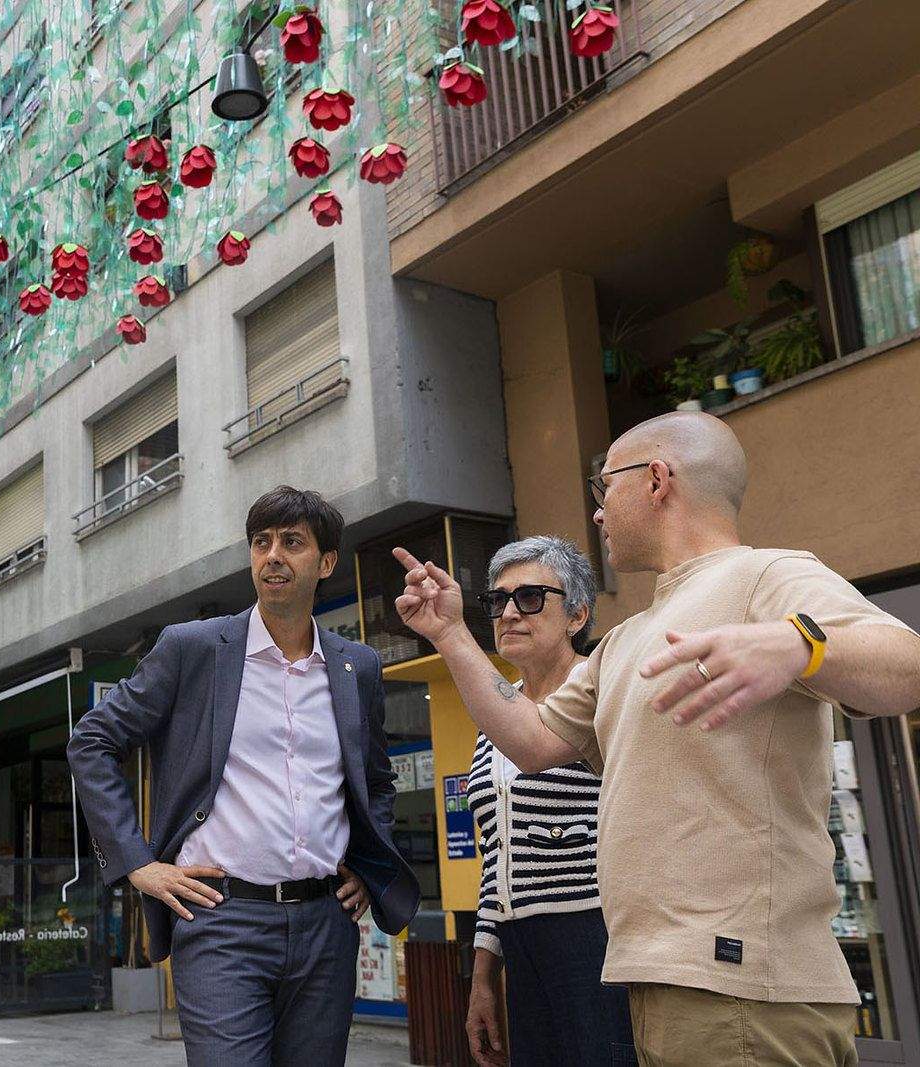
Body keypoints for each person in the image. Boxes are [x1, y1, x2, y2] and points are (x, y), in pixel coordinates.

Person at [394, 412, 920, 1066]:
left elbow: (907, 663)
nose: (597, 514)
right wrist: (450, 635)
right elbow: (527, 738)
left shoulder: (764, 576)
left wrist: (801, 643)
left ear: (657, 480)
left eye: (603, 488)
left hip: (741, 984)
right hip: (662, 983)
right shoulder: (621, 642)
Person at [69, 486, 419, 1065]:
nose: (273, 555)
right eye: (261, 542)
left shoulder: (358, 667)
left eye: (292, 542)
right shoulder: (194, 649)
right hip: (220, 923)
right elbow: (93, 740)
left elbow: (375, 781)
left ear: (326, 562)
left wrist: (363, 860)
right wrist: (137, 863)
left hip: (326, 924)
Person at [461, 536, 633, 1067]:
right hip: (520, 941)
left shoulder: (601, 691)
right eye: (497, 601)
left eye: (531, 598)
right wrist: (484, 975)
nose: (509, 612)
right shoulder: (496, 719)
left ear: (577, 614)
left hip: (597, 934)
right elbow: (497, 857)